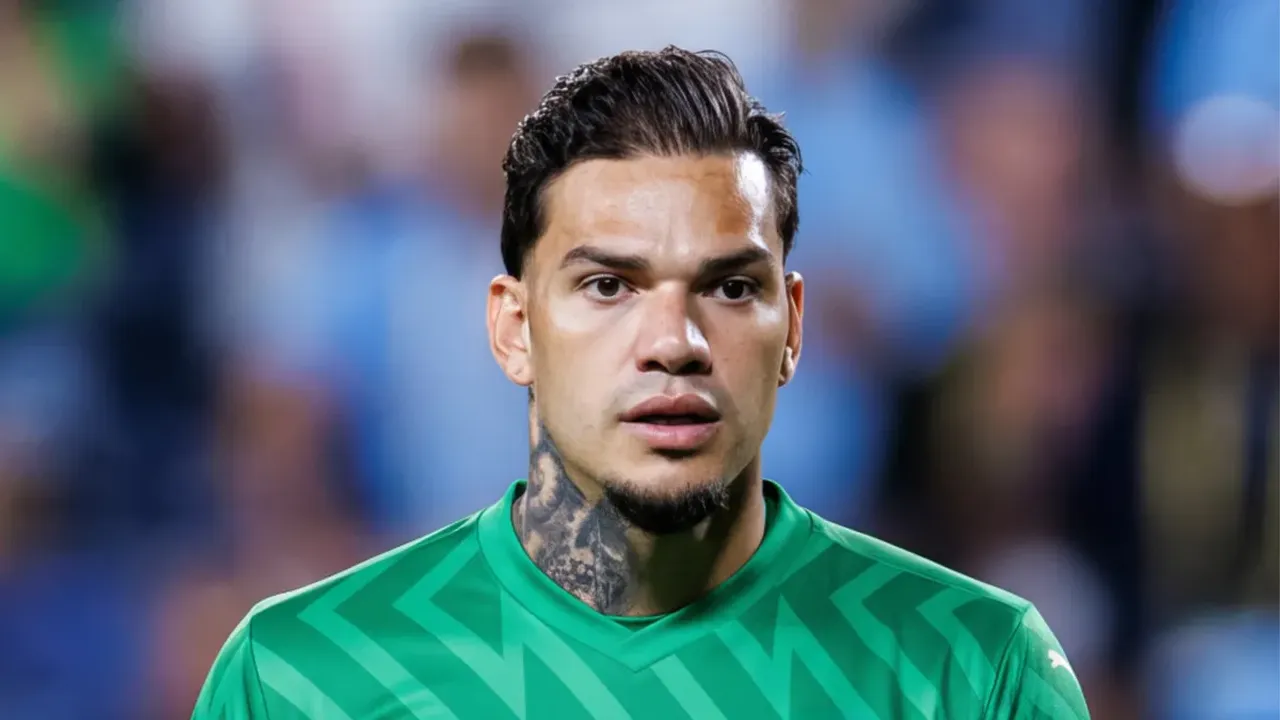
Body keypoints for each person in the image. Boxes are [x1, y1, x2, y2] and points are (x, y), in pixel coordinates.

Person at [192, 47, 1090, 719]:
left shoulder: (975, 669)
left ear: (792, 327)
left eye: (730, 288)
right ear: (514, 329)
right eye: (608, 286)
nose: (674, 343)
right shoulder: (297, 678)